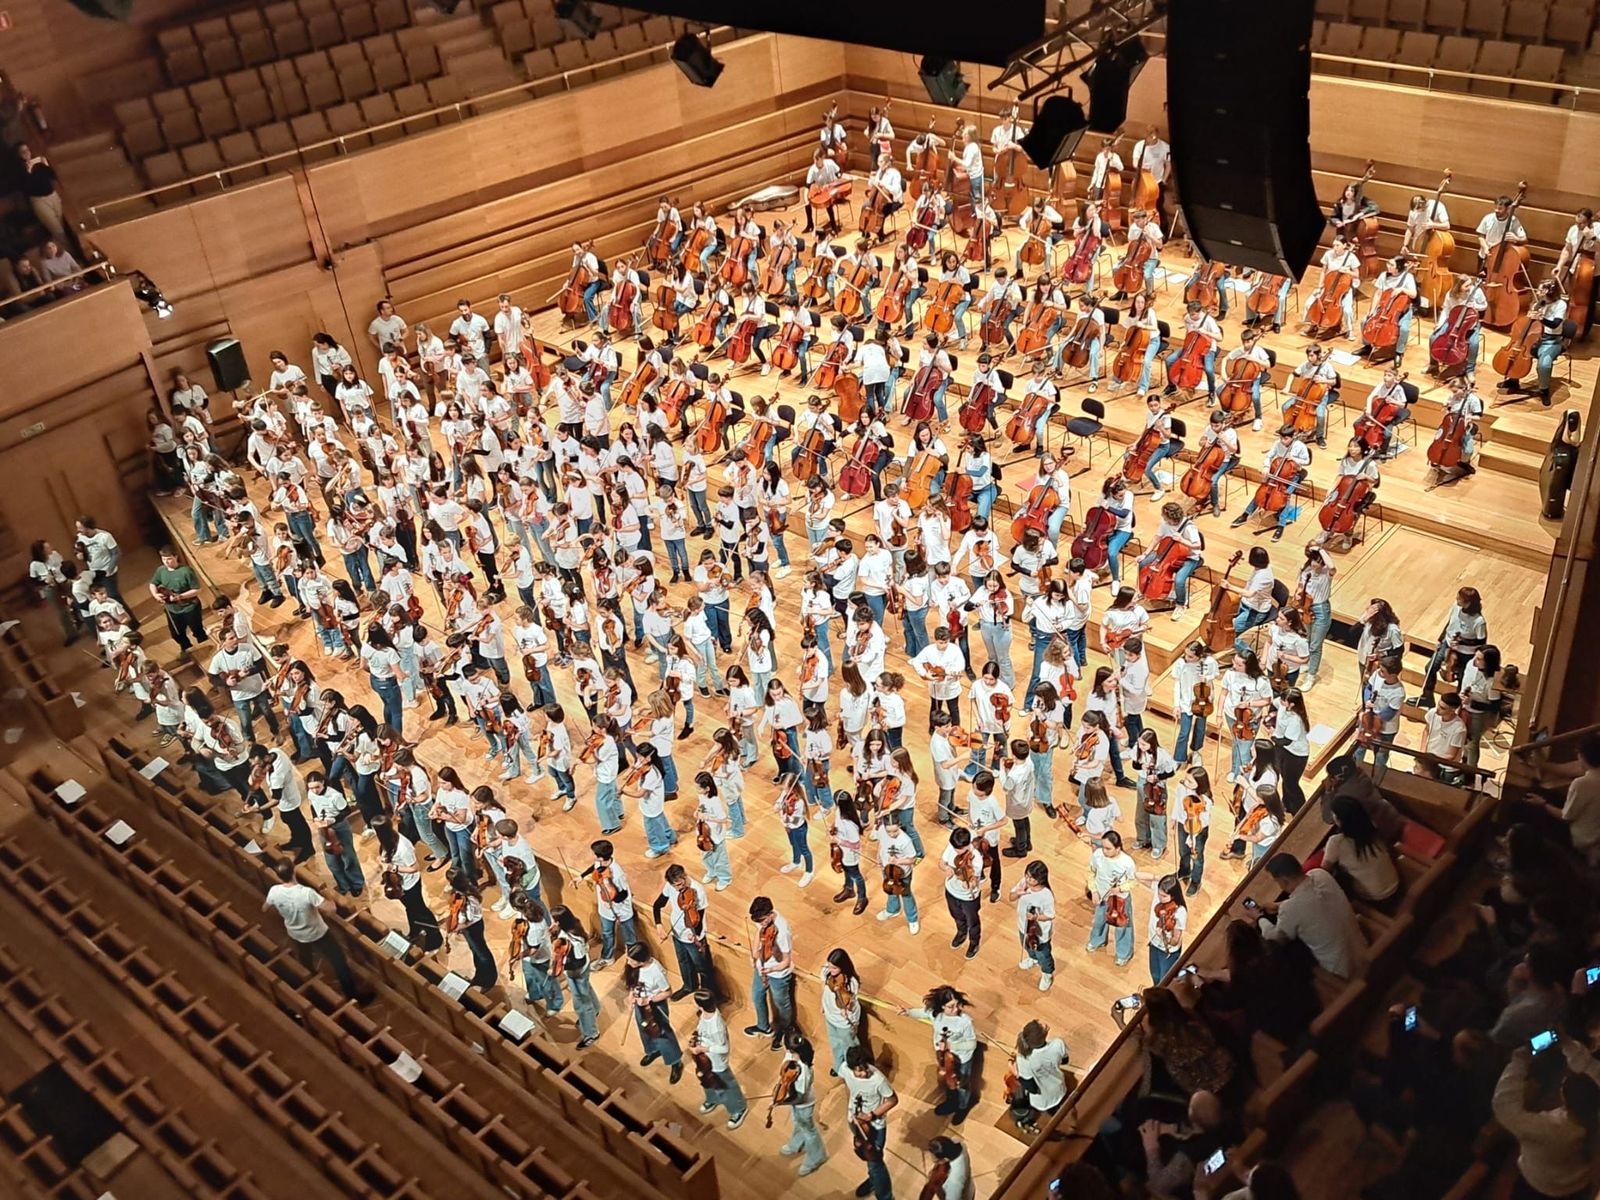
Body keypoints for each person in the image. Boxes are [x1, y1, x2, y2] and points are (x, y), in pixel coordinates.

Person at [1492, 1041, 1600, 1200]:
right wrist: (1566, 1042)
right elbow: (1591, 1068)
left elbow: (1504, 1105)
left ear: (1564, 1097)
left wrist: (1520, 1059)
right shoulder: (1591, 1114)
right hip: (1579, 1183)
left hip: (1542, 1187)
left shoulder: (1545, 1129)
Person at [262, 859, 365, 1001]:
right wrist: (328, 895)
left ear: (279, 876)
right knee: (339, 961)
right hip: (318, 933)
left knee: (305, 959)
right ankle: (352, 995)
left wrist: (285, 913)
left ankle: (311, 982)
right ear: (294, 871)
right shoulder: (306, 893)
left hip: (295, 933)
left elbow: (265, 908)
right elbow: (331, 908)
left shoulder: (274, 891)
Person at [1252, 853, 1367, 978]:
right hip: (1363, 950)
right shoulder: (1320, 874)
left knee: (1291, 953)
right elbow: (1312, 900)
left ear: (1284, 880)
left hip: (1341, 970)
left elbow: (1275, 938)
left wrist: (1259, 918)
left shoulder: (1291, 908)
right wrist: (1279, 905)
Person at [843, 1044, 898, 1200]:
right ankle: (873, 1180)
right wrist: (850, 1106)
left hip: (875, 1126)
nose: (864, 1072)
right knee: (868, 1157)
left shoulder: (878, 1080)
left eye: (865, 1068)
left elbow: (892, 1100)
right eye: (859, 1070)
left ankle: (886, 1196)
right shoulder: (845, 1069)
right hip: (855, 1121)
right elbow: (847, 1084)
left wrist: (872, 1115)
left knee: (876, 1162)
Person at [1322, 795, 1399, 905]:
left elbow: (1323, 872)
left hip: (1375, 899)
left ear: (1339, 819)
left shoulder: (1336, 842)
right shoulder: (1371, 826)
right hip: (1396, 885)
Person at [623, 943, 684, 1083]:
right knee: (644, 1029)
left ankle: (675, 1061)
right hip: (640, 1002)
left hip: (655, 1006)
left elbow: (668, 992)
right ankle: (653, 1050)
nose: (628, 962)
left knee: (662, 1033)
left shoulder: (656, 971)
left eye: (631, 960)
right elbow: (634, 983)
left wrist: (649, 999)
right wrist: (631, 995)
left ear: (642, 960)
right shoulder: (636, 967)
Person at [690, 990, 747, 1129]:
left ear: (701, 1005)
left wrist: (704, 1049)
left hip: (716, 1062)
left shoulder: (716, 1027)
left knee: (726, 1087)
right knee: (706, 1081)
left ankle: (738, 1109)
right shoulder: (704, 1014)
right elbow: (701, 1028)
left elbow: (723, 1048)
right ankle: (712, 1099)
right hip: (704, 1061)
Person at [774, 1031, 829, 1177]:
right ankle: (797, 1143)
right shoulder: (791, 1057)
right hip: (794, 1099)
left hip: (804, 1104)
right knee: (796, 1121)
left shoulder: (803, 1071)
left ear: (790, 1048)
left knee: (808, 1130)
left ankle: (817, 1156)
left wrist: (781, 1102)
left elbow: (799, 1097)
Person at [745, 895, 795, 1047]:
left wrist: (771, 968)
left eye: (761, 920)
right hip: (763, 967)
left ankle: (787, 1030)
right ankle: (763, 1027)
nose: (760, 924)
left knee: (782, 1005)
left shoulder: (782, 931)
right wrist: (754, 953)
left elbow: (785, 961)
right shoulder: (763, 921)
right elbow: (758, 933)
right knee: (757, 995)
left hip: (778, 974)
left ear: (769, 914)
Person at [1010, 1019, 1069, 1134]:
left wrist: (1016, 1072)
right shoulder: (1058, 1043)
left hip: (1042, 1098)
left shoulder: (1023, 1059)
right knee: (1056, 1106)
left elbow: (1032, 1088)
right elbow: (1065, 1061)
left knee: (1031, 1105)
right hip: (1059, 1087)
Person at [150, 545, 207, 652]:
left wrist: (180, 596)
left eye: (169, 559)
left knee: (197, 630)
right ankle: (187, 649)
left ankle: (205, 647)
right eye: (163, 559)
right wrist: (155, 595)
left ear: (176, 557)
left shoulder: (186, 571)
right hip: (172, 609)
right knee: (177, 633)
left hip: (190, 607)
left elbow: (197, 590)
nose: (166, 562)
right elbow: (153, 583)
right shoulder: (161, 570)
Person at [925, 1136, 975, 1200]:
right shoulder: (958, 1144)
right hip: (969, 1188)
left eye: (935, 1161)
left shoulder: (953, 1183)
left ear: (945, 1159)